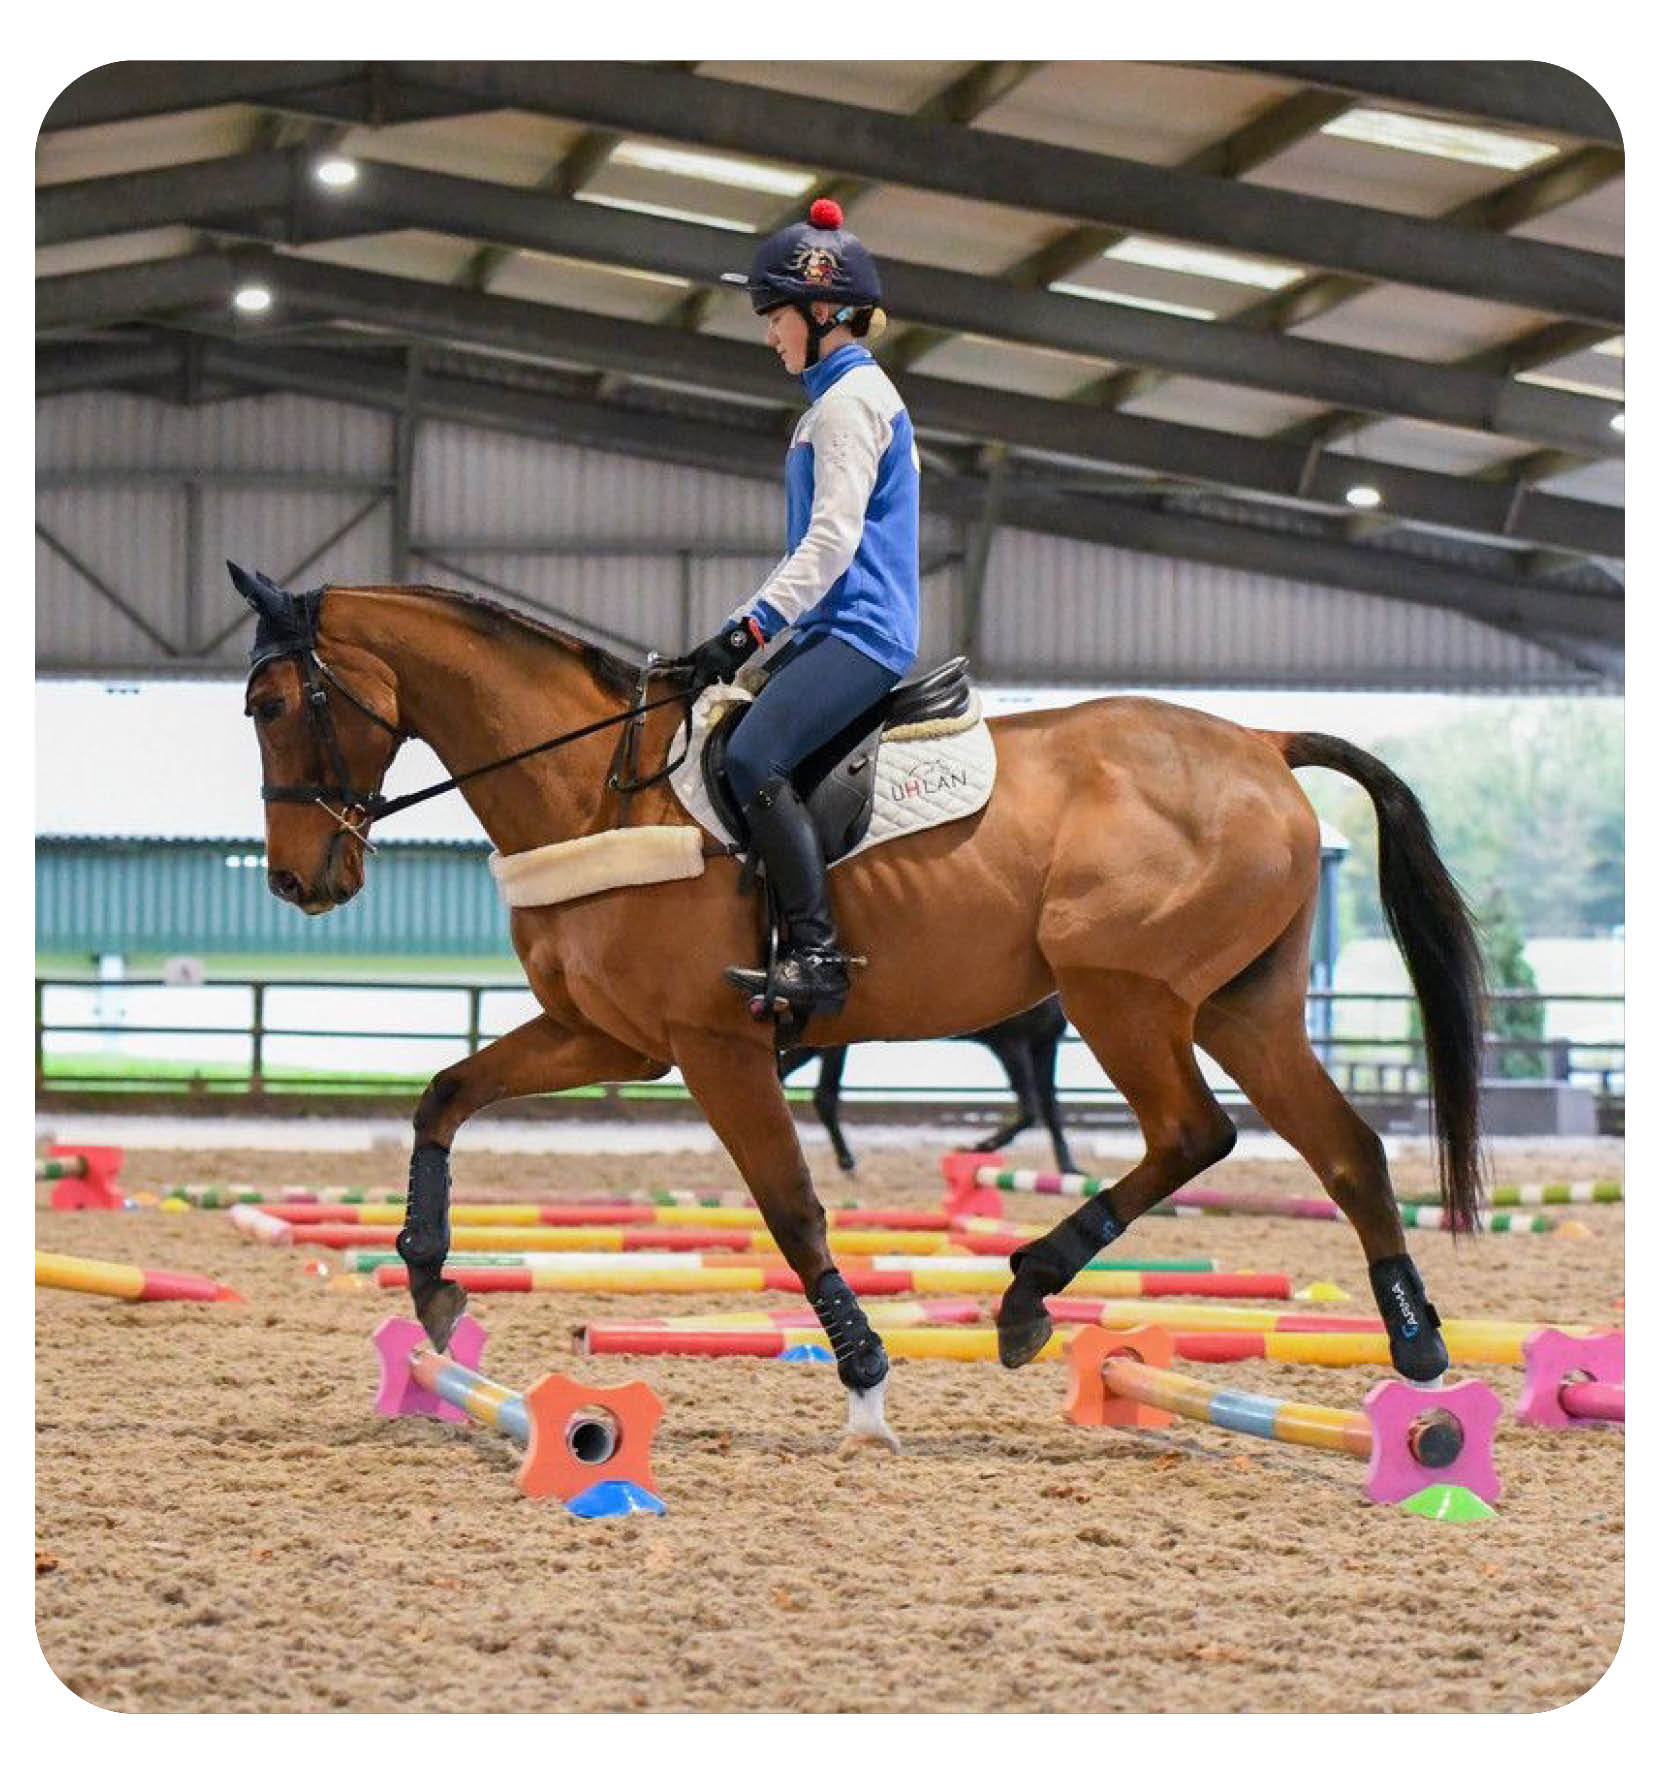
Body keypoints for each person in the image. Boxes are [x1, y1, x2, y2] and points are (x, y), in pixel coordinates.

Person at [676, 199, 921, 1019]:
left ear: (821, 312)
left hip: (860, 632)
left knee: (751, 760)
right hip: (830, 628)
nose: (767, 333)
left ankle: (817, 953)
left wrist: (743, 631)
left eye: (773, 315)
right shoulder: (832, 400)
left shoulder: (850, 403)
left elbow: (829, 545)